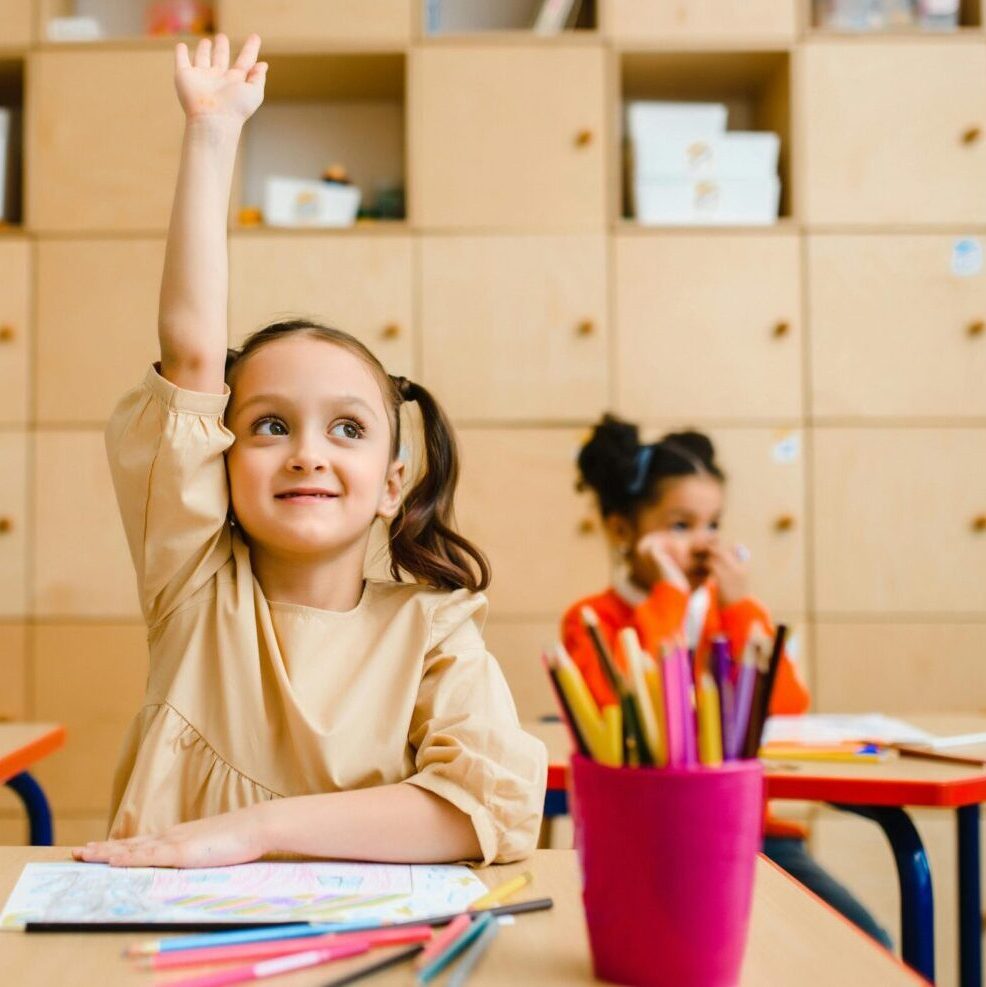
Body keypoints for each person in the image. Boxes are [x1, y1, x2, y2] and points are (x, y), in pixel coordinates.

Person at [73, 34, 545, 870]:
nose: (306, 454)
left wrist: (253, 832)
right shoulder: (193, 584)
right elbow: (189, 356)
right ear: (218, 456)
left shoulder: (434, 630)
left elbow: (484, 810)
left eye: (349, 429)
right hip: (174, 942)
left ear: (393, 483)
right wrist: (211, 136)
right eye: (269, 425)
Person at [561, 414, 892, 949]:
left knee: (867, 942)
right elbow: (617, 704)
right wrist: (667, 598)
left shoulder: (727, 612)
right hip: (649, 841)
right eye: (680, 525)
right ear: (623, 530)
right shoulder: (592, 620)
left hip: (746, 836)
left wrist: (740, 609)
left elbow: (784, 709)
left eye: (713, 524)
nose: (703, 544)